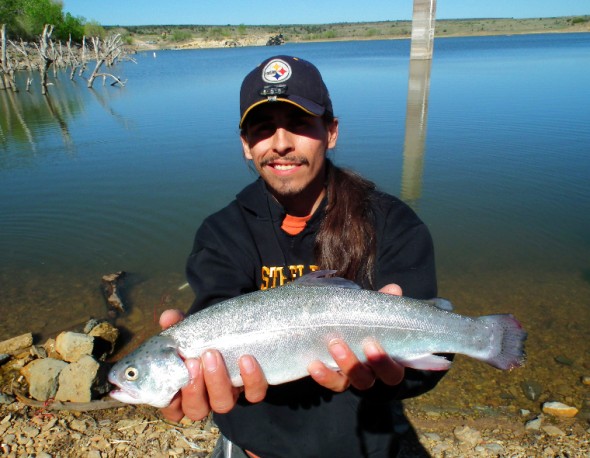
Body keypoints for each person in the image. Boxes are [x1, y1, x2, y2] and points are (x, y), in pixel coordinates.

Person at [159, 55, 448, 457]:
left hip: (360, 447)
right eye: (263, 129)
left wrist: (393, 377)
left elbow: (432, 354)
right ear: (246, 145)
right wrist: (200, 384)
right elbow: (216, 317)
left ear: (331, 132)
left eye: (299, 124)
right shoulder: (221, 234)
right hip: (256, 449)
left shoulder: (392, 223)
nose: (280, 143)